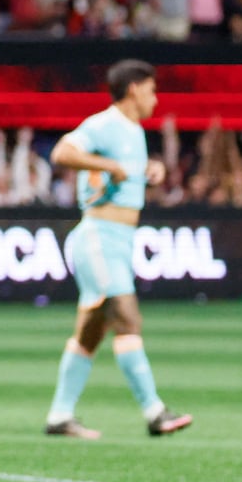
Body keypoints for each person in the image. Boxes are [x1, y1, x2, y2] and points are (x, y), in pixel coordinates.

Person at [44, 60, 193, 439]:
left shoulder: (132, 132)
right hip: (99, 235)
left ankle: (60, 416)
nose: (155, 100)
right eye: (152, 91)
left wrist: (151, 172)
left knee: (91, 333)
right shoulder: (105, 123)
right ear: (134, 89)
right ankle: (155, 412)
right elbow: (62, 153)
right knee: (128, 318)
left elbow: (123, 175)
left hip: (117, 239)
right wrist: (108, 164)